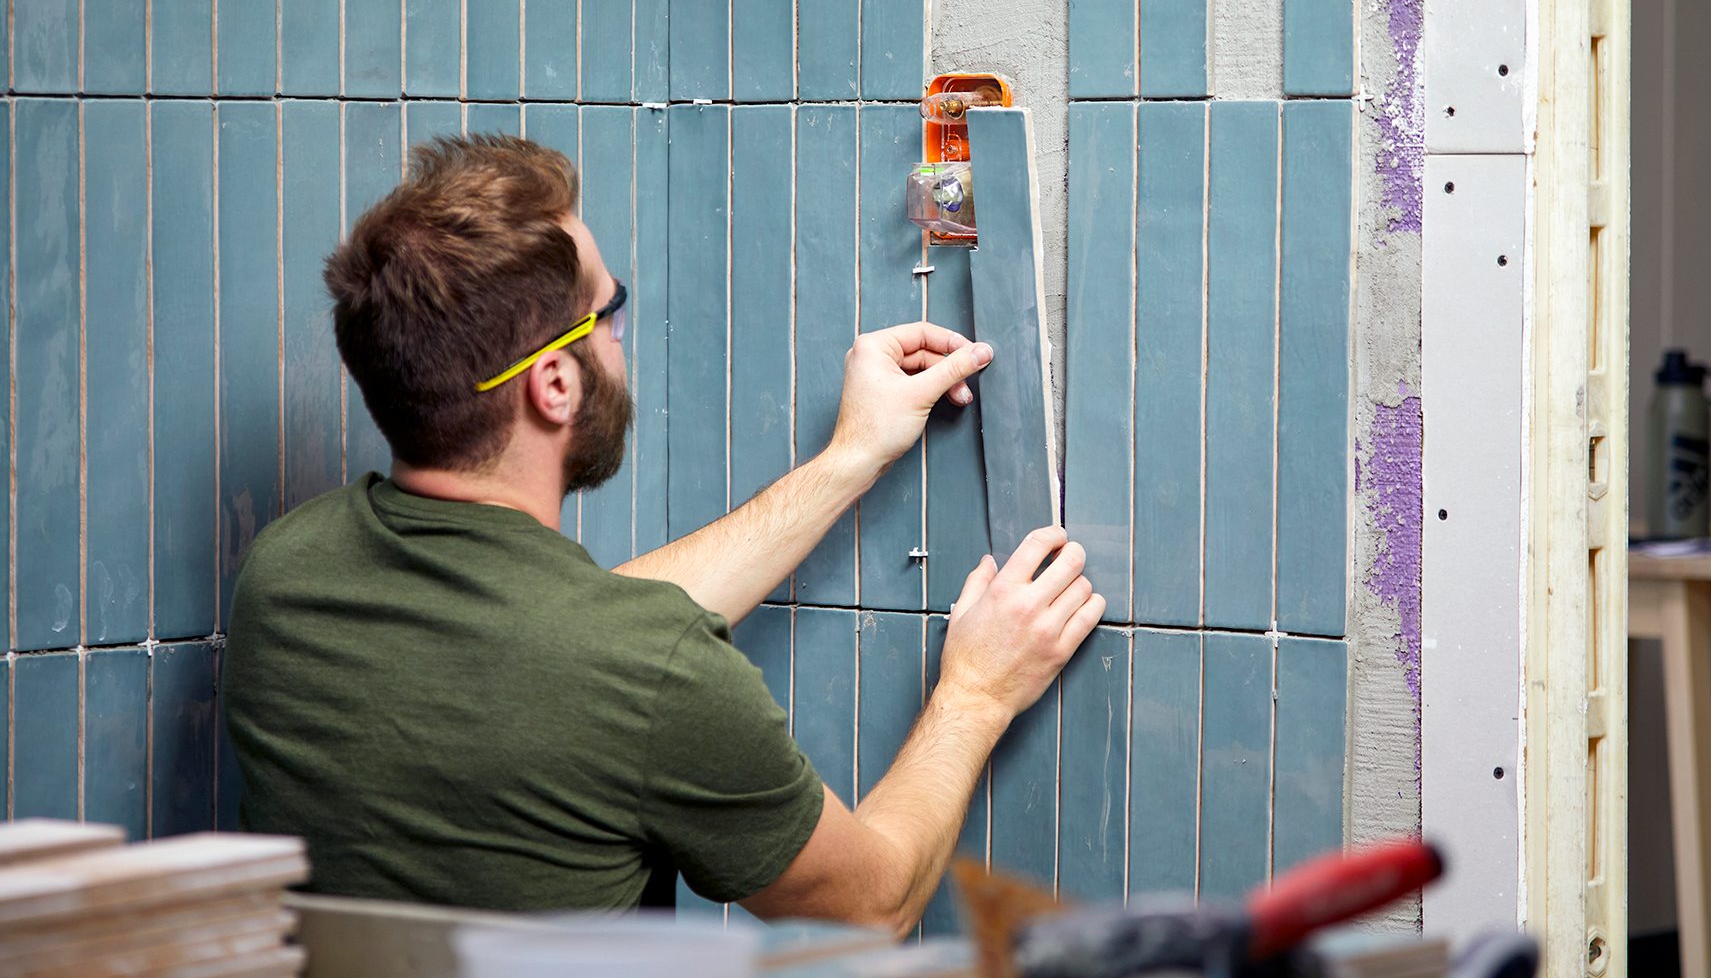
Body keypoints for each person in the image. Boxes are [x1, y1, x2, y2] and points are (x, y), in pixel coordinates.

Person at [222, 134, 1102, 934]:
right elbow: (869, 904)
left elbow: (577, 641)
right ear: (555, 386)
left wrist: (850, 458)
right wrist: (978, 692)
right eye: (610, 309)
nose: (620, 333)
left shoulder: (287, 577)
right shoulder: (644, 672)